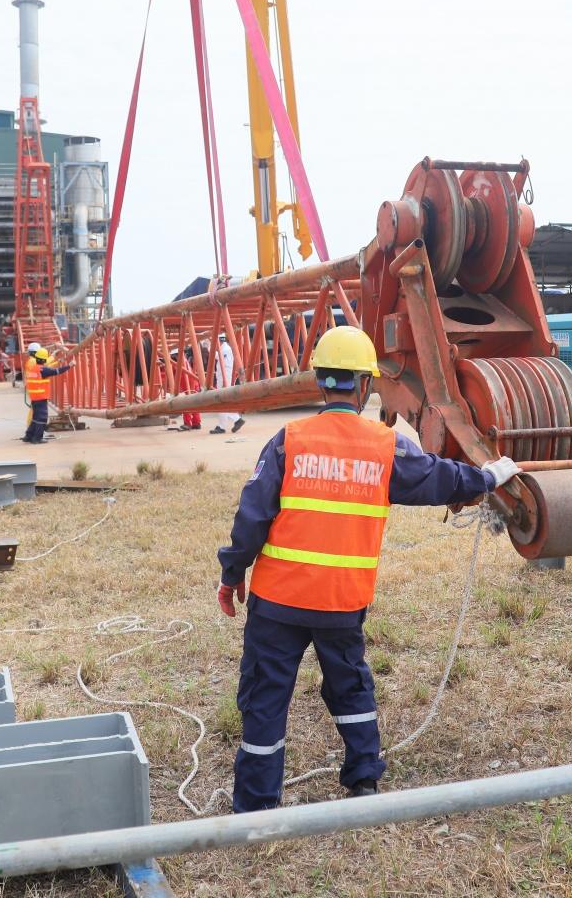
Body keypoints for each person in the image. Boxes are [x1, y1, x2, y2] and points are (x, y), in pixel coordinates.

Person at [217, 325, 521, 811]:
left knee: (265, 699)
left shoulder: (287, 440)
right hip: (341, 602)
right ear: (364, 386)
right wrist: (485, 477)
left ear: (321, 381)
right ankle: (363, 780)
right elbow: (436, 479)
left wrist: (232, 573)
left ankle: (255, 805)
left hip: (278, 602)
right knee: (350, 685)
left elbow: (251, 517)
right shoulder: (384, 447)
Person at [21, 348, 70, 444]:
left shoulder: (33, 367)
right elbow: (56, 371)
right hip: (41, 397)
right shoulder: (42, 370)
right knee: (42, 418)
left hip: (34, 397)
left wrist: (58, 361)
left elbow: (48, 369)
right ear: (44, 360)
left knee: (35, 418)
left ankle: (29, 436)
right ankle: (37, 438)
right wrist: (70, 365)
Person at [211, 333, 245, 435]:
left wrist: (209, 349)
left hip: (224, 379)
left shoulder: (225, 349)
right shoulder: (225, 349)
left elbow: (222, 363)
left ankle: (225, 424)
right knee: (223, 402)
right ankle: (235, 420)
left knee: (221, 402)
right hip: (223, 378)